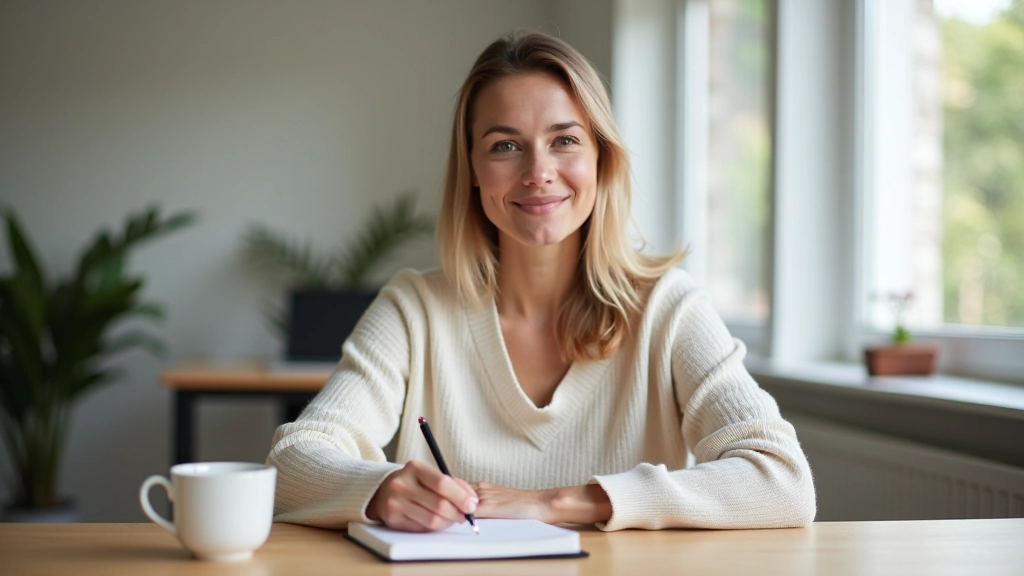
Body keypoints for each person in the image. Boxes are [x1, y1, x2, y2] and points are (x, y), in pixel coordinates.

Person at [267, 30, 816, 532]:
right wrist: (380, 488)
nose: (538, 171)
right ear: (474, 170)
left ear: (602, 158)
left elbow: (783, 480)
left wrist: (560, 503)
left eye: (565, 140)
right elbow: (292, 463)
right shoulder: (415, 310)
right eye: (505, 145)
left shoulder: (669, 310)